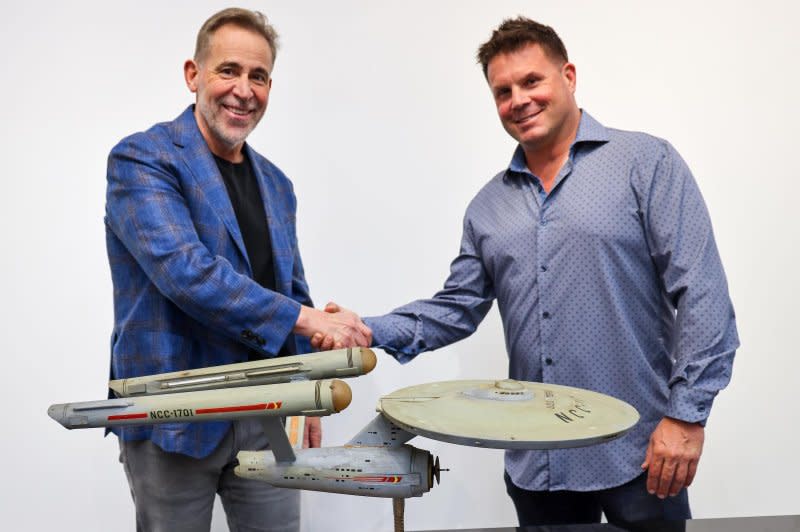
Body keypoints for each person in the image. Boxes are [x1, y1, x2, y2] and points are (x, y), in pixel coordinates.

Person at [315, 17, 738, 528]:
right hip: (540, 465)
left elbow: (704, 295)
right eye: (503, 91)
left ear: (569, 76)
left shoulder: (646, 164)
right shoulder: (488, 207)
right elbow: (455, 309)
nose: (519, 99)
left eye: (531, 81)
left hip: (642, 453)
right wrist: (366, 328)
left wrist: (686, 416)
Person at [105, 8, 371, 532]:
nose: (243, 90)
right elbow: (188, 274)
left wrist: (310, 389)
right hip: (173, 421)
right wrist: (311, 319)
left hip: (265, 414)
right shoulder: (141, 160)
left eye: (259, 76)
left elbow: (292, 290)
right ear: (193, 74)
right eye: (228, 70)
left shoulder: (277, 185)